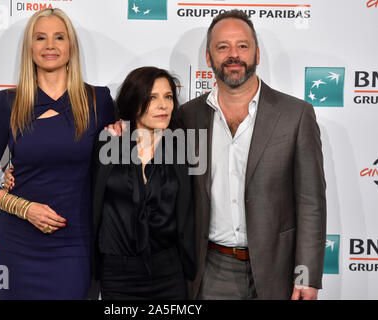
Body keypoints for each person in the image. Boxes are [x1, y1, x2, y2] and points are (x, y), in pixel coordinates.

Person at [108, 10, 326, 300]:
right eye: (222, 47)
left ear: (257, 54)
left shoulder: (295, 115)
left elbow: (311, 202)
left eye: (242, 46)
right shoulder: (186, 116)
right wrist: (121, 128)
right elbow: (148, 141)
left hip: (279, 270)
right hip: (209, 269)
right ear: (209, 58)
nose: (233, 54)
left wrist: (306, 277)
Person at [0, 8, 115, 299]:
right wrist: (23, 207)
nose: (50, 46)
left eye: (59, 37)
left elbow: (118, 168)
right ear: (29, 48)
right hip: (18, 244)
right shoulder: (9, 104)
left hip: (76, 243)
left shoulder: (98, 101)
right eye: (40, 38)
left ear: (70, 46)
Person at [91, 67, 195, 300]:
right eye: (152, 97)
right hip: (117, 274)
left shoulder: (183, 151)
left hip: (169, 273)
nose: (163, 105)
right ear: (133, 101)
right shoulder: (108, 145)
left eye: (168, 97)